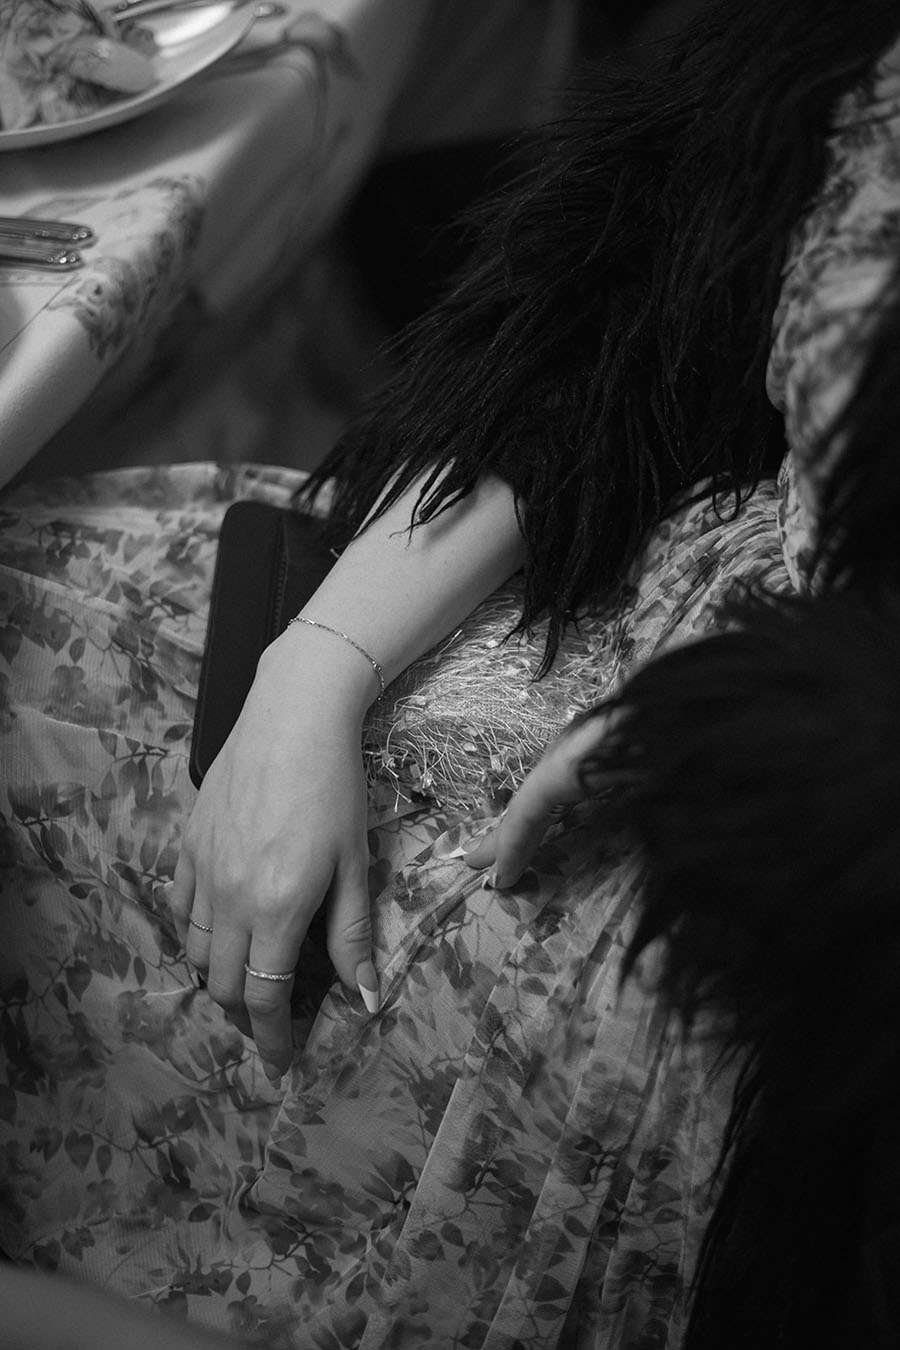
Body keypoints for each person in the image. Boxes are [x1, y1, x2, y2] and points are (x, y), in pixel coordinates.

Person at [1, 0, 899, 1345]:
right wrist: (314, 663)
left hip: (790, 889)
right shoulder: (826, 46)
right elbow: (631, 327)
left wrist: (737, 726)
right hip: (621, 560)